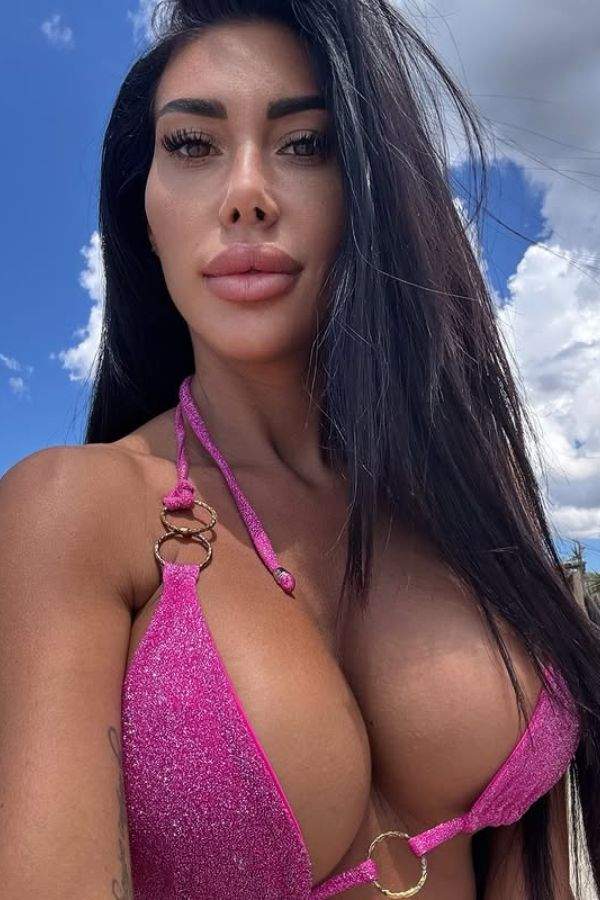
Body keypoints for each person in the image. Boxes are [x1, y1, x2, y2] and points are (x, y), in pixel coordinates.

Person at [1, 1, 598, 898]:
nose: (247, 192)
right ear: (144, 213)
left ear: (368, 193)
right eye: (193, 145)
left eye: (307, 144)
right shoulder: (74, 511)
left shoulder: (465, 501)